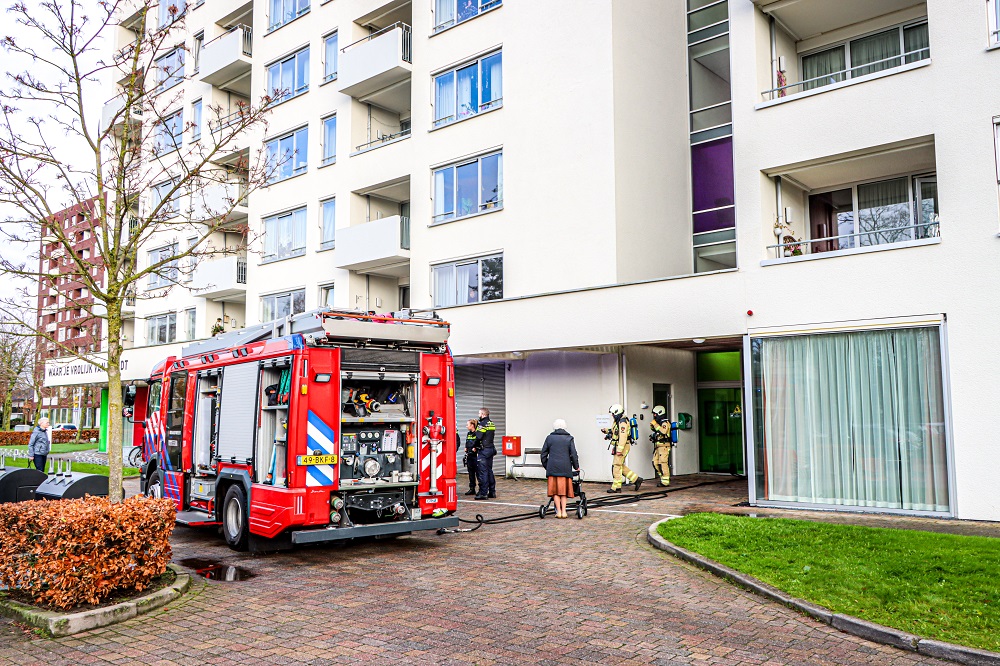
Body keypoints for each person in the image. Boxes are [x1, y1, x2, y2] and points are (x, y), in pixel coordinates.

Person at [540, 419, 579, 519]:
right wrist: (576, 466)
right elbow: (573, 454)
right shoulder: (569, 438)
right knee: (564, 491)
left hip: (552, 468)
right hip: (565, 468)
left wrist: (546, 466)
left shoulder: (549, 438)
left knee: (555, 491)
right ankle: (564, 511)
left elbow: (543, 454)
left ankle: (558, 512)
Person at [603, 404, 642, 493]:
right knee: (620, 465)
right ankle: (636, 479)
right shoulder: (619, 421)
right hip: (620, 446)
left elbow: (623, 437)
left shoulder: (623, 422)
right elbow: (615, 432)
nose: (612, 416)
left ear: (617, 413)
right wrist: (606, 431)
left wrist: (620, 450)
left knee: (616, 466)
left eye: (613, 414)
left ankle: (616, 487)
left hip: (623, 447)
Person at [473, 407, 496, 500]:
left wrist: (474, 447)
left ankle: (483, 493)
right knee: (490, 471)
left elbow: (478, 437)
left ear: (483, 414)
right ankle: (492, 492)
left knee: (483, 472)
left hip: (484, 451)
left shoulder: (482, 424)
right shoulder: (492, 423)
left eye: (479, 414)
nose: (478, 415)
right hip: (491, 449)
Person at [650, 405, 673, 487]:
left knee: (663, 463)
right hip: (658, 446)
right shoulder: (659, 423)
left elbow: (663, 431)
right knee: (655, 463)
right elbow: (657, 431)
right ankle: (663, 477)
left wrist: (655, 424)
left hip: (664, 446)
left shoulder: (665, 423)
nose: (654, 416)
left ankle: (665, 481)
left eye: (655, 414)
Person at [463, 418, 480, 496]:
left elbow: (479, 443)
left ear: (472, 425)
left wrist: (476, 448)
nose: (466, 426)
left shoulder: (477, 433)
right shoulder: (469, 434)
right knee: (471, 473)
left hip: (475, 456)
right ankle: (472, 488)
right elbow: (467, 442)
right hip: (469, 455)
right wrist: (466, 448)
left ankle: (481, 489)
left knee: (478, 473)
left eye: (468, 424)